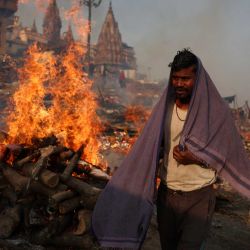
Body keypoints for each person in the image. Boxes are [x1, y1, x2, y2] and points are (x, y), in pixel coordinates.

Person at [92, 49, 250, 250]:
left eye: (185, 79)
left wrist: (194, 158)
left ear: (198, 79)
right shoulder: (164, 109)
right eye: (175, 78)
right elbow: (152, 145)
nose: (179, 84)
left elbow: (226, 155)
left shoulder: (215, 113)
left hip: (199, 196)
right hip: (168, 194)